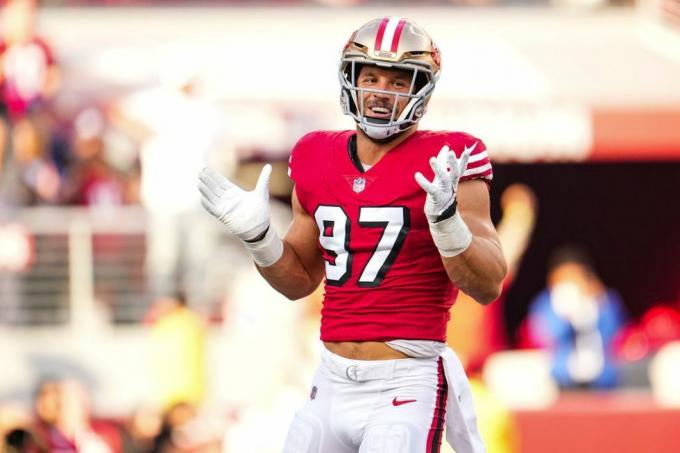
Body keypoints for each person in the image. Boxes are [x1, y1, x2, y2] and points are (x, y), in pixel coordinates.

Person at [198, 17, 506, 453]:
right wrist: (260, 238)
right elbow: (298, 280)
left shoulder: (450, 157)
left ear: (422, 89)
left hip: (406, 383)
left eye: (399, 81)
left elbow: (488, 283)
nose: (381, 91)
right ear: (351, 78)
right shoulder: (315, 154)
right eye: (371, 76)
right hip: (330, 378)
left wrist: (448, 222)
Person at [522, 245, 626, 389]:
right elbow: (542, 339)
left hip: (603, 378)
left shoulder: (604, 299)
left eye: (573, 276)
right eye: (563, 278)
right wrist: (563, 313)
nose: (568, 283)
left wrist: (596, 306)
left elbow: (616, 336)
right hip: (559, 376)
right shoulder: (544, 304)